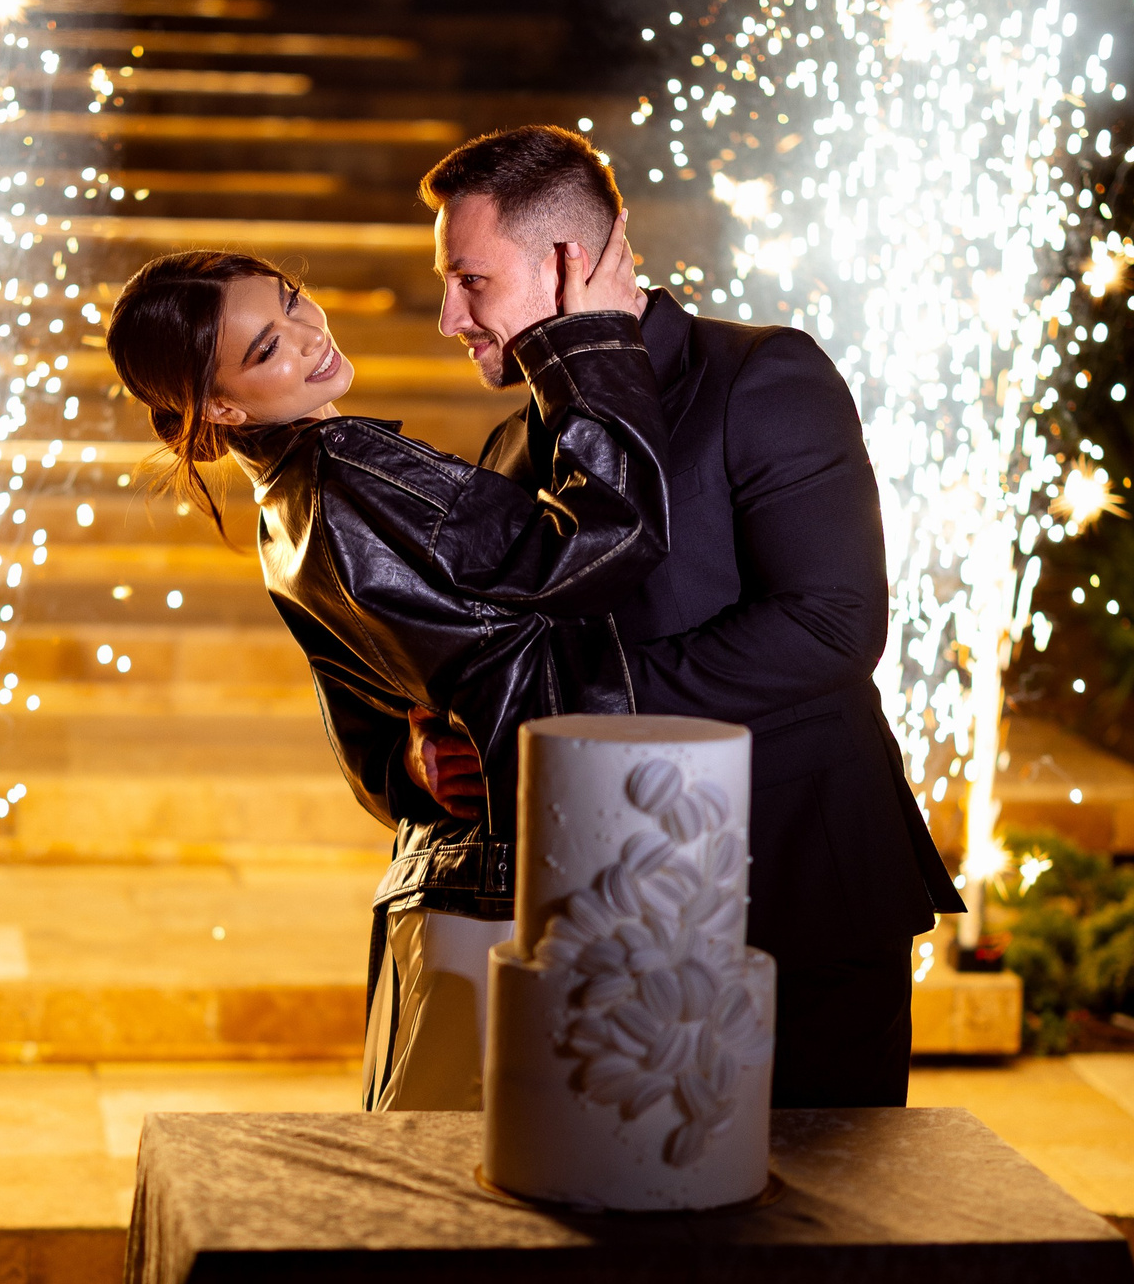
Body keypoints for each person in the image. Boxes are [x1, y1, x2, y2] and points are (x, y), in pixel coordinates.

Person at [318, 124, 964, 1111]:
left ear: (568, 263)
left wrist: (561, 716)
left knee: (823, 1202)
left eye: (470, 281)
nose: (450, 316)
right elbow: (484, 667)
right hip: (604, 918)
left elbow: (832, 623)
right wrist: (424, 755)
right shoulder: (510, 445)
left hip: (797, 895)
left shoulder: (762, 374)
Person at [104, 218, 670, 1110]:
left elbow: (365, 734)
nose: (308, 336)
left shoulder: (283, 511)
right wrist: (591, 341)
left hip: (458, 879)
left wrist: (414, 760)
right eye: (266, 349)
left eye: (293, 303)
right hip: (536, 871)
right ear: (221, 409)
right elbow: (609, 539)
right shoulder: (352, 467)